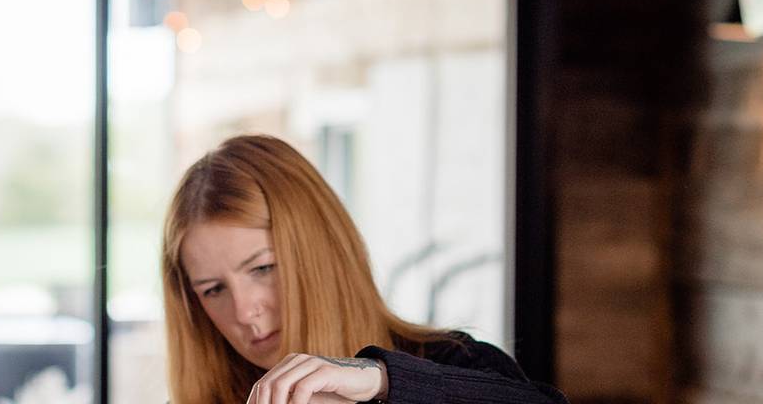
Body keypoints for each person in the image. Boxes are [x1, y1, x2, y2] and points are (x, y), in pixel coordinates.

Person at [161, 134, 568, 404]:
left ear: (321, 251)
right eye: (213, 289)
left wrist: (382, 381)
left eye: (263, 267)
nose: (244, 310)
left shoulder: (458, 365)